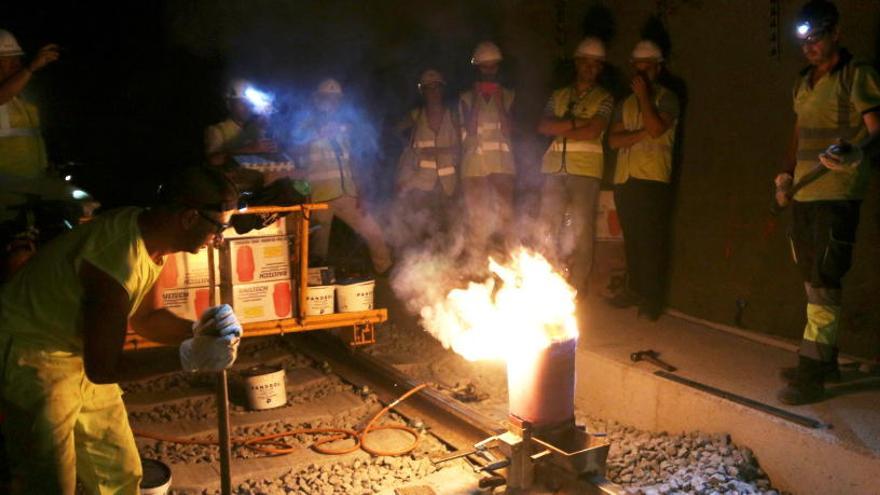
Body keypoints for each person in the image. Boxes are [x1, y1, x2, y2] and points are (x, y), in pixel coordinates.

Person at [0, 166, 244, 493]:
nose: (219, 239)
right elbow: (103, 368)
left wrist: (199, 330)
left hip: (74, 348)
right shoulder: (115, 260)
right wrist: (190, 357)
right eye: (219, 227)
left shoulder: (148, 236)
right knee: (49, 482)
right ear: (188, 217)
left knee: (118, 471)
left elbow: (148, 318)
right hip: (31, 352)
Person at [775, 0, 880, 405]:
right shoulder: (804, 81)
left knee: (824, 281)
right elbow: (798, 134)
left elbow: (877, 129)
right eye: (804, 42)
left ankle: (812, 372)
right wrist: (785, 176)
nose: (810, 48)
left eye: (816, 38)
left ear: (835, 32)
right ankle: (826, 359)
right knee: (810, 279)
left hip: (837, 194)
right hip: (804, 192)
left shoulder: (858, 75)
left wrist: (858, 152)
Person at [606, 40, 680, 320]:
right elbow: (613, 141)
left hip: (652, 178)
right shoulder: (625, 103)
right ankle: (634, 289)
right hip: (625, 178)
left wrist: (644, 99)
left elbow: (657, 128)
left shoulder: (667, 97)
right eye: (637, 69)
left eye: (646, 69)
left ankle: (652, 299)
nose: (640, 75)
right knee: (633, 239)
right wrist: (639, 133)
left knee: (652, 241)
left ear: (658, 68)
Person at [536, 37, 613, 295]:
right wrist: (576, 123)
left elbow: (594, 131)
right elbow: (543, 126)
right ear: (577, 63)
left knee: (582, 231)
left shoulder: (605, 98)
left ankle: (576, 288)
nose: (590, 68)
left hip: (585, 171)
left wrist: (564, 124)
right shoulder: (558, 95)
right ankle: (546, 282)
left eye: (596, 65)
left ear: (600, 68)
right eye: (586, 63)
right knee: (546, 228)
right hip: (553, 169)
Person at [292, 78, 392, 274]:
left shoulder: (343, 127)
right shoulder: (306, 124)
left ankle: (385, 270)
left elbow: (352, 160)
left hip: (347, 194)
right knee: (317, 246)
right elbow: (294, 152)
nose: (331, 102)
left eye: (336, 99)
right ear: (317, 99)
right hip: (319, 195)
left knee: (373, 232)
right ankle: (312, 283)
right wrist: (319, 134)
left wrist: (361, 193)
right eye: (327, 97)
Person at [392, 68, 461, 247]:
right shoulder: (416, 116)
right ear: (422, 91)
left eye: (436, 87)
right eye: (428, 88)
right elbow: (393, 133)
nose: (433, 92)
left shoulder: (453, 115)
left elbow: (463, 147)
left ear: (442, 89)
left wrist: (439, 152)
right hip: (421, 183)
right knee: (422, 227)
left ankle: (447, 267)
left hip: (448, 184)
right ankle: (421, 267)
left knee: (447, 227)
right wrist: (408, 151)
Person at [459, 41, 516, 256]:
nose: (489, 71)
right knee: (477, 220)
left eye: (493, 66)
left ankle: (510, 266)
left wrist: (500, 101)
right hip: (473, 168)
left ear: (498, 67)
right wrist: (475, 99)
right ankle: (477, 268)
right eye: (485, 66)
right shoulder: (465, 97)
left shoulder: (509, 95)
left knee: (506, 219)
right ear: (477, 69)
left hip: (503, 167)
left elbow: (510, 130)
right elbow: (471, 130)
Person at [0, 29, 58, 179]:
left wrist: (44, 168)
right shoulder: (5, 96)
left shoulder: (19, 101)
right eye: (10, 60)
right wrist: (30, 68)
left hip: (28, 190)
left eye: (18, 59)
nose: (17, 65)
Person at [205, 78, 278, 191]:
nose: (246, 107)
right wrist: (248, 149)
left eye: (248, 103)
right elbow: (212, 161)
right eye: (241, 103)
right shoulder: (217, 130)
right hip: (230, 190)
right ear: (229, 104)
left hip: (259, 189)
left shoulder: (255, 129)